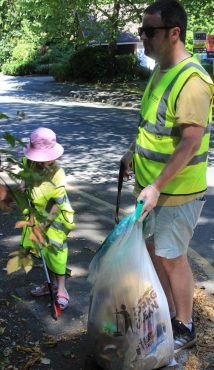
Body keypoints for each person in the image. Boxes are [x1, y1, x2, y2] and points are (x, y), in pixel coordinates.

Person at [121, 0, 213, 353]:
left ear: (174, 33)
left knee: (173, 257)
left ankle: (185, 324)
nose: (142, 37)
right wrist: (132, 151)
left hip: (175, 193)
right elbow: (151, 126)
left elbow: (190, 142)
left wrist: (158, 186)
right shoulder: (160, 71)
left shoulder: (192, 81)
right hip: (151, 191)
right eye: (142, 30)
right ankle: (167, 312)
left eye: (149, 31)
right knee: (155, 253)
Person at [17, 127, 75, 311]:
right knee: (43, 252)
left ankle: (62, 289)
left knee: (56, 251)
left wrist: (44, 225)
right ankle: (49, 284)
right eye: (38, 159)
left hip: (54, 216)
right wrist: (24, 181)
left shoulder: (58, 173)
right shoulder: (29, 162)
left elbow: (56, 204)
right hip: (37, 212)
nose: (42, 163)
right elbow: (26, 171)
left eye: (45, 158)